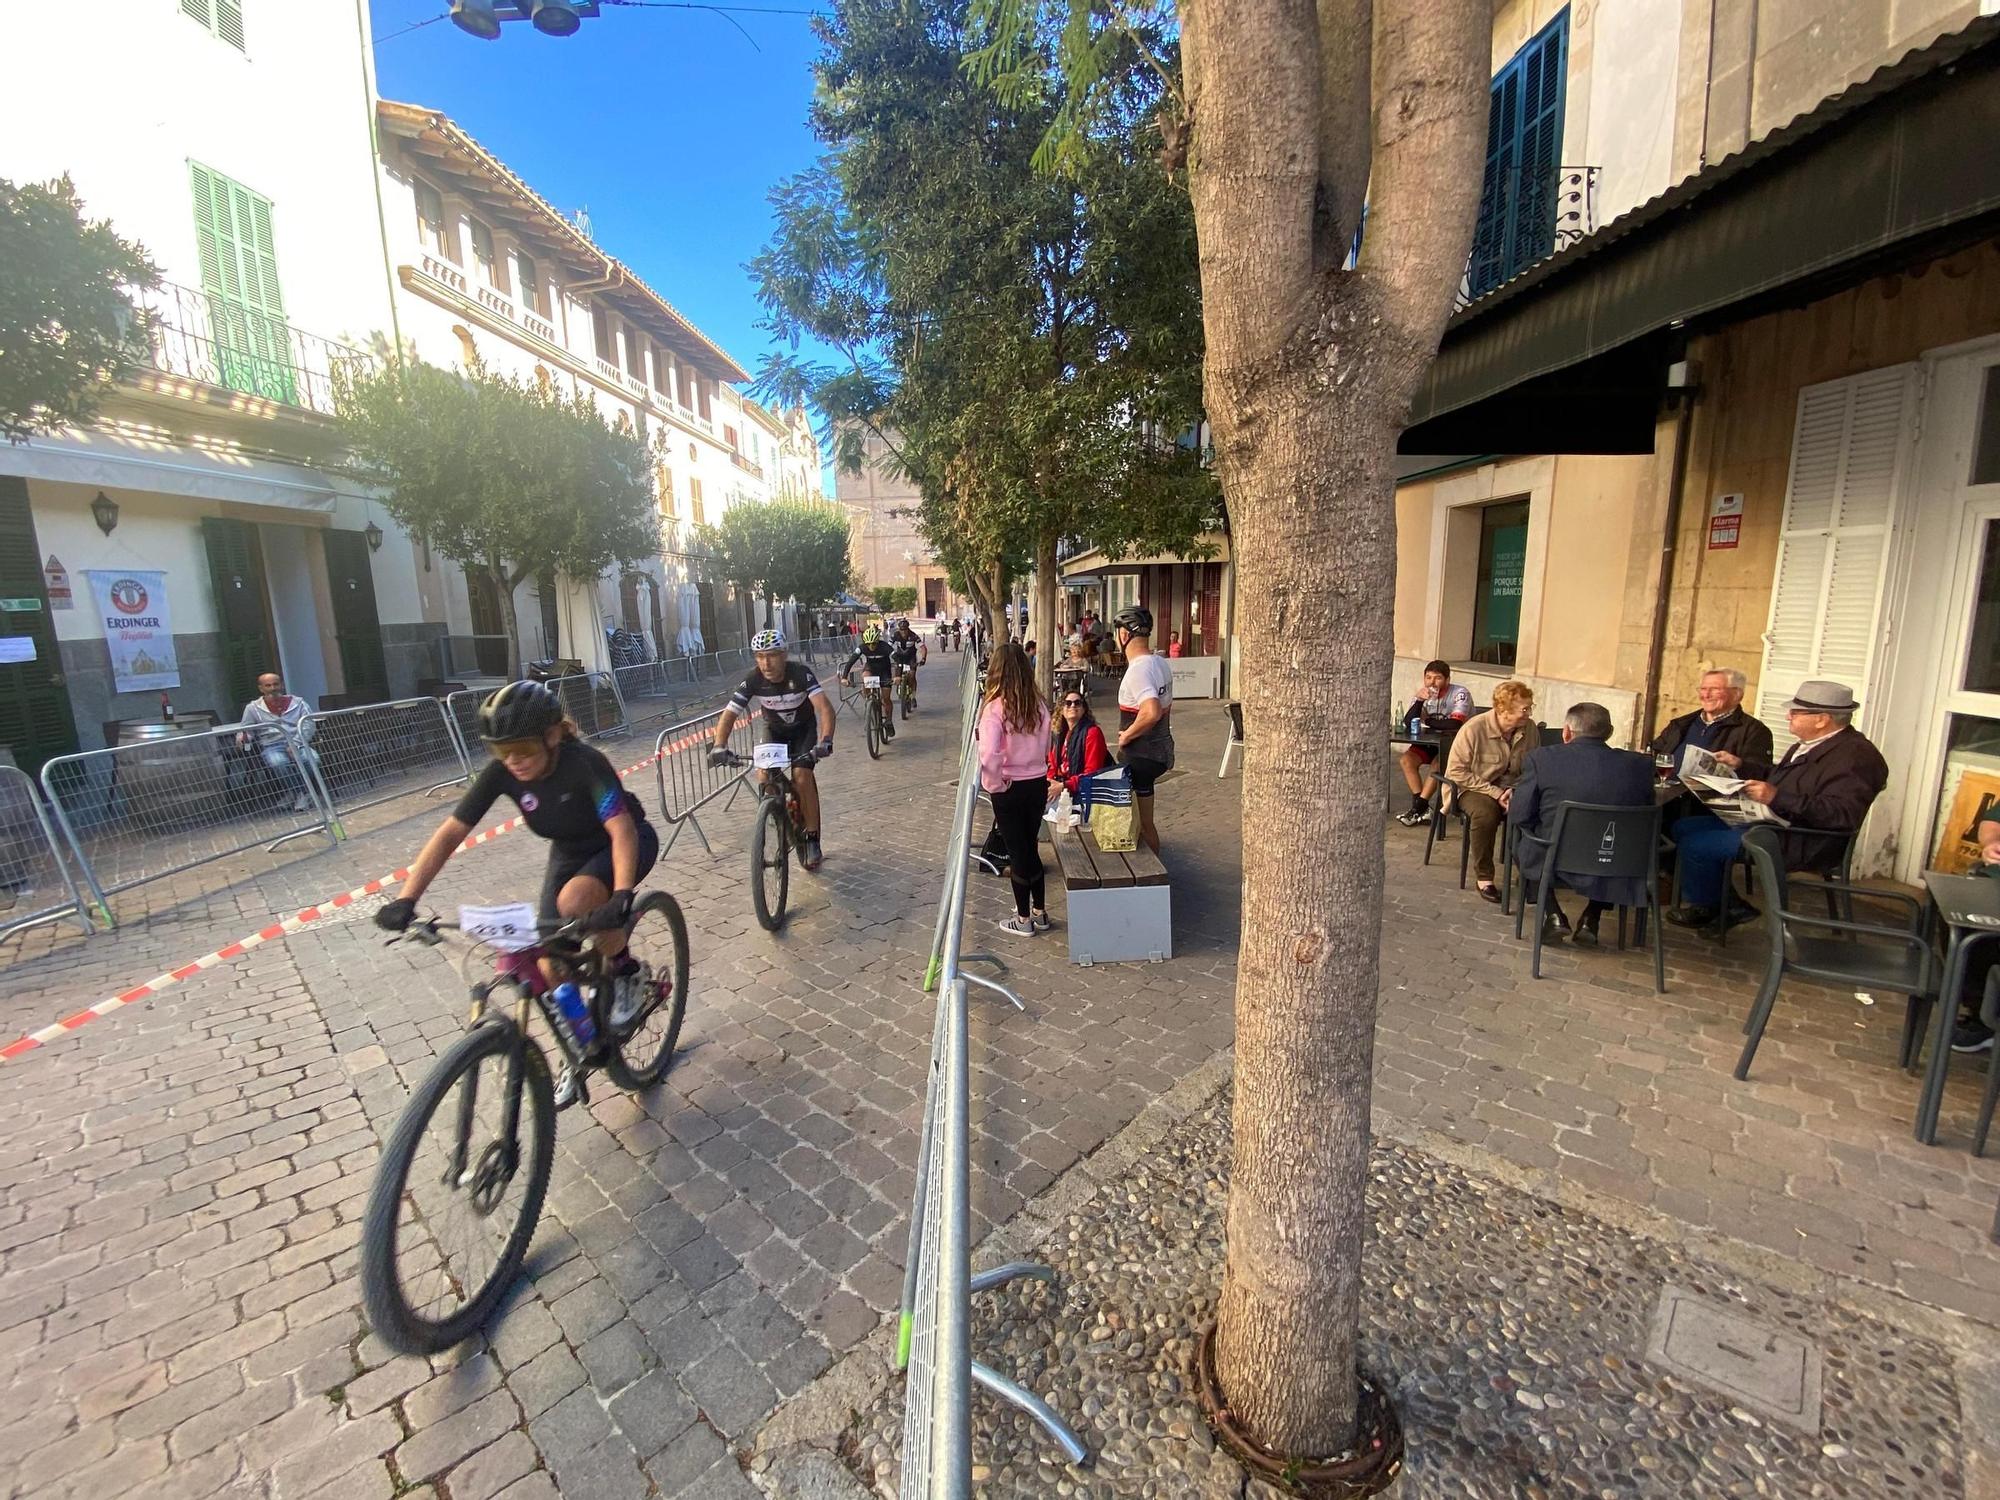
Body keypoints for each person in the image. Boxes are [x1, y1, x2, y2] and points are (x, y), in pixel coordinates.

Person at [374, 680, 658, 1108]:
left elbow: (619, 828)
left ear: (553, 736)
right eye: (500, 751)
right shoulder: (504, 771)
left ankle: (627, 971)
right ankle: (580, 1048)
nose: (513, 761)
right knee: (549, 959)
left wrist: (620, 894)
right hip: (569, 850)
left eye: (522, 748)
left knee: (575, 904)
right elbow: (452, 831)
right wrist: (406, 898)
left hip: (623, 841)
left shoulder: (585, 763)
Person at [1665, 680, 1888, 934]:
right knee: (1685, 827)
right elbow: (1781, 776)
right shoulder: (1814, 742)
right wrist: (1741, 765)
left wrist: (1776, 797)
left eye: (1796, 712)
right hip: (1776, 822)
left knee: (1696, 845)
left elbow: (1842, 814)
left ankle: (1715, 906)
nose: (1788, 717)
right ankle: (1727, 905)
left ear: (1822, 719)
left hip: (1801, 839)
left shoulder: (1856, 758)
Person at [1507, 702, 1655, 945]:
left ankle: (1553, 914)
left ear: (1566, 731)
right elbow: (1645, 815)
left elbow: (1520, 815)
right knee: (1613, 844)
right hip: (1615, 860)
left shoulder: (1542, 759)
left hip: (1555, 858)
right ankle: (1591, 917)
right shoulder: (1640, 766)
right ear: (1609, 732)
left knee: (1520, 843)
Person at [711, 630, 836, 871]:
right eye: (759, 656)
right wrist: (719, 745)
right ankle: (774, 811)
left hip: (803, 730)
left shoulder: (800, 673)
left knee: (801, 776)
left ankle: (811, 837)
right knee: (764, 775)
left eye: (771, 656)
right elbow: (729, 714)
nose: (765, 663)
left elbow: (824, 709)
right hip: (774, 731)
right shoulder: (754, 679)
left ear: (784, 655)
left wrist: (826, 740)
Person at [979, 644, 1052, 935]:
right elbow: (1048, 742)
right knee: (1029, 846)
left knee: (1017, 853)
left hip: (1008, 785)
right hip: (1037, 781)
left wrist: (993, 784)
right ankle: (1040, 911)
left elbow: (988, 753)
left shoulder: (995, 708)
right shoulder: (1038, 704)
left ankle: (1023, 920)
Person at [1442, 679, 1536, 902]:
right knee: (1486, 814)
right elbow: (1457, 772)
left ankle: (1531, 874)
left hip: (1511, 786)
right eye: (1525, 708)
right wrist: (1495, 793)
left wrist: (1513, 790)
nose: (1529, 713)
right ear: (1503, 710)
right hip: (1473, 787)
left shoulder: (1529, 729)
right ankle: (1484, 877)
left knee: (1536, 809)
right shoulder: (1474, 728)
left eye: (1530, 707)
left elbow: (1534, 766)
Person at [1112, 605, 1174, 855]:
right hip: (1160, 751)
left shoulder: (1138, 670)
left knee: (1142, 826)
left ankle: (1151, 880)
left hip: (1141, 757)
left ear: (1124, 635)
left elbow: (1151, 711)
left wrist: (1127, 735)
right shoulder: (1160, 662)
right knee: (1145, 824)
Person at [1395, 660, 1475, 827]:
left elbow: (1454, 724)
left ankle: (1418, 808)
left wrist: (1429, 721)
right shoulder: (1422, 695)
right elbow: (1409, 722)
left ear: (1447, 680)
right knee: (1406, 760)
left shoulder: (1460, 693)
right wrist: (1418, 701)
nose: (1432, 682)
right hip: (1431, 740)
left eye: (1437, 678)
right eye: (1428, 677)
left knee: (1438, 765)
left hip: (1457, 742)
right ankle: (1422, 808)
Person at [1652, 668, 1774, 771]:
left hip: (1706, 799)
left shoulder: (1755, 731)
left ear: (1737, 694)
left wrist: (1739, 764)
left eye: (1715, 689)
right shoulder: (1680, 724)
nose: (1706, 695)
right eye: (1703, 689)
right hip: (1664, 795)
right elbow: (1654, 754)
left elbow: (1762, 773)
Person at [238, 671, 321, 813]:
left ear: (282, 685)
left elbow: (309, 724)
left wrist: (295, 742)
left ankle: (294, 793)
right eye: (268, 685)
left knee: (313, 759)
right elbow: (246, 730)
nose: (272, 688)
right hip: (272, 746)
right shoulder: (252, 708)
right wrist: (243, 740)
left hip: (298, 743)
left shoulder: (298, 702)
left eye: (275, 684)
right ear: (261, 688)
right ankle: (301, 792)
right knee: (278, 763)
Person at [1047, 688, 1111, 804]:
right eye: (1068, 703)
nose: (1072, 706)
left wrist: (1064, 786)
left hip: (1082, 791)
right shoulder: (1058, 734)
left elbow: (1092, 772)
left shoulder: (1093, 733)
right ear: (1061, 709)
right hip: (1060, 786)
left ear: (1083, 709)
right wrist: (1049, 782)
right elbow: (1052, 765)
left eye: (1077, 703)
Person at [843, 625, 898, 741]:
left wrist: (897, 676)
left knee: (886, 698)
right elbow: (850, 662)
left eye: (873, 644)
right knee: (865, 677)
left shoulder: (885, 647)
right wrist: (844, 677)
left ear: (878, 641)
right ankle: (869, 702)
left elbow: (898, 661)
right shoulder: (862, 648)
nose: (871, 646)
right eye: (868, 644)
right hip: (871, 669)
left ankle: (888, 721)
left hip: (884, 671)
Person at [892, 620, 926, 710]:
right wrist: (890, 655)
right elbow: (888, 646)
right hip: (899, 658)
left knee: (912, 676)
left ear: (908, 629)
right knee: (897, 676)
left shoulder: (913, 635)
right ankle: (900, 688)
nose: (903, 632)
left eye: (905, 630)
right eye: (901, 630)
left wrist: (923, 658)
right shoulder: (896, 635)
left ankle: (913, 696)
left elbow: (922, 647)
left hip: (911, 658)